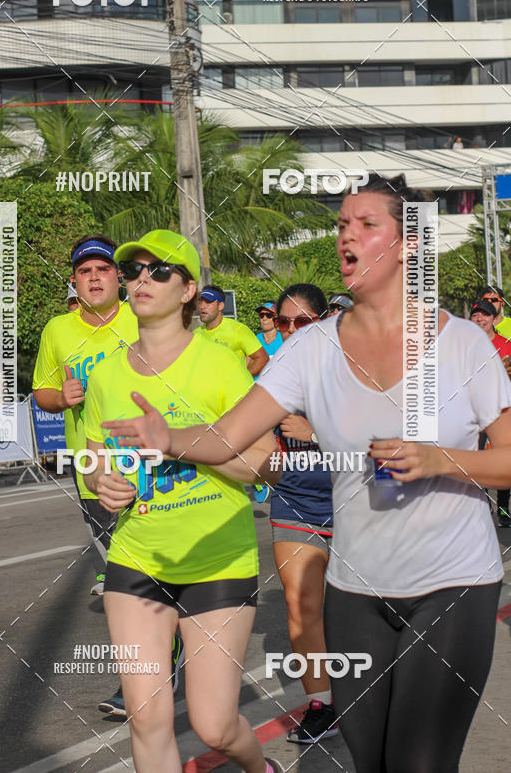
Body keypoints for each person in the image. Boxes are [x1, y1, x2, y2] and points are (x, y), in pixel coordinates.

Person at [105, 175, 511, 773]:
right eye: (343, 224)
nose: (347, 236)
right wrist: (169, 439)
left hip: (454, 583)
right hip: (355, 589)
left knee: (419, 763)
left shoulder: (464, 345)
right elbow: (228, 436)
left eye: (367, 224)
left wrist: (439, 460)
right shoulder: (311, 348)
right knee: (369, 760)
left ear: (407, 245)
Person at [82, 229, 282, 773]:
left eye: (160, 271)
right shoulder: (106, 375)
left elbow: (265, 462)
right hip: (137, 559)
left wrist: (177, 442)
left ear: (189, 289)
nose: (142, 280)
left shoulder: (218, 364)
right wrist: (104, 482)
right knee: (146, 719)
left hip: (218, 561)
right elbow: (95, 460)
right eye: (133, 271)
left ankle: (259, 768)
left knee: (215, 726)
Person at [32, 233, 158, 718]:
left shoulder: (143, 317)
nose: (94, 278)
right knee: (124, 583)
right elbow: (41, 390)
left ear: (118, 277)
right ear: (74, 281)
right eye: (85, 271)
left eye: (103, 269)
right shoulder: (57, 331)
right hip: (93, 470)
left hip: (151, 462)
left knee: (150, 576)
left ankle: (156, 666)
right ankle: (145, 673)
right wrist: (59, 398)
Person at [270, 284, 336, 745]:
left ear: (324, 321)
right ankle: (322, 705)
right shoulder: (273, 377)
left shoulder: (354, 369)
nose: (292, 330)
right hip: (295, 503)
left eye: (303, 321)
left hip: (357, 504)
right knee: (301, 605)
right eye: (284, 322)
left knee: (362, 612)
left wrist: (316, 433)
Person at [470, 299, 511, 528]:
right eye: (475, 315)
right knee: (476, 459)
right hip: (474, 410)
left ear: (494, 319)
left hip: (502, 410)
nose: (480, 319)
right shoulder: (465, 347)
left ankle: (503, 510)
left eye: (485, 315)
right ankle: (483, 506)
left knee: (504, 458)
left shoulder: (506, 344)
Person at [197, 285, 269, 376]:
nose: (202, 306)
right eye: (200, 302)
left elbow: (262, 358)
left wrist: (242, 379)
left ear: (220, 306)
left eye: (208, 302)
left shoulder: (238, 330)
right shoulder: (195, 334)